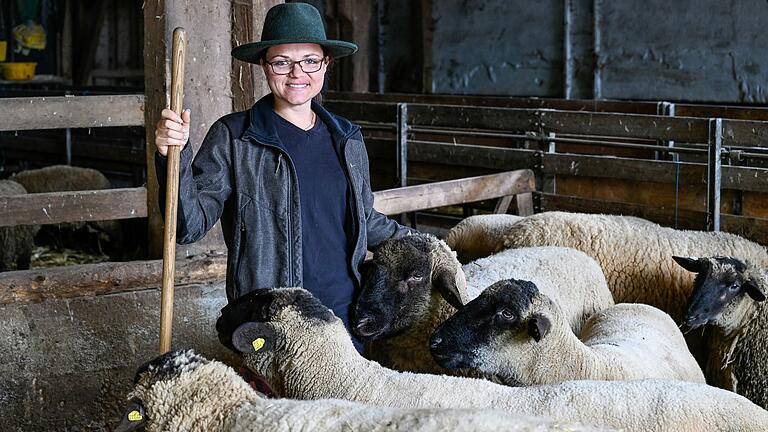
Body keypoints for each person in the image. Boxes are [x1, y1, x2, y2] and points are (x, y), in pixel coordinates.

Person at [154, 3, 412, 349]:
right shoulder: (233, 137)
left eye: (309, 60)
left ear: (325, 64)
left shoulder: (347, 138)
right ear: (264, 65)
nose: (297, 73)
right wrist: (173, 155)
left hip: (345, 324)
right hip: (271, 323)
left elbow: (364, 220)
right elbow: (188, 226)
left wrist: (428, 246)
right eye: (281, 62)